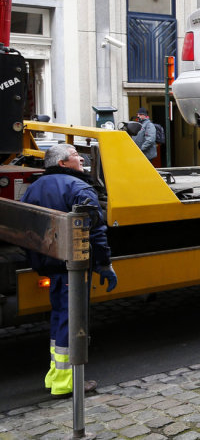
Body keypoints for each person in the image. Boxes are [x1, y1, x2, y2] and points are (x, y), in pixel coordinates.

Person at [20, 144, 117, 399]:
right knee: (72, 320)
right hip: (73, 268)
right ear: (63, 163)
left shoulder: (34, 188)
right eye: (75, 155)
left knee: (59, 318)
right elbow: (95, 231)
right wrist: (104, 264)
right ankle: (68, 382)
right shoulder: (79, 188)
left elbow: (26, 230)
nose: (81, 159)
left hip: (50, 265)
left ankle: (55, 375)